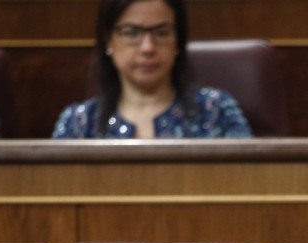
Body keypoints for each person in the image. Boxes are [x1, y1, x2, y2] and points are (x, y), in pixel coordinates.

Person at [52, 0, 251, 139]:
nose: (148, 48)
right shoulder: (78, 123)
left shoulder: (216, 112)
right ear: (108, 41)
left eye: (161, 33)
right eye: (131, 33)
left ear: (177, 40)